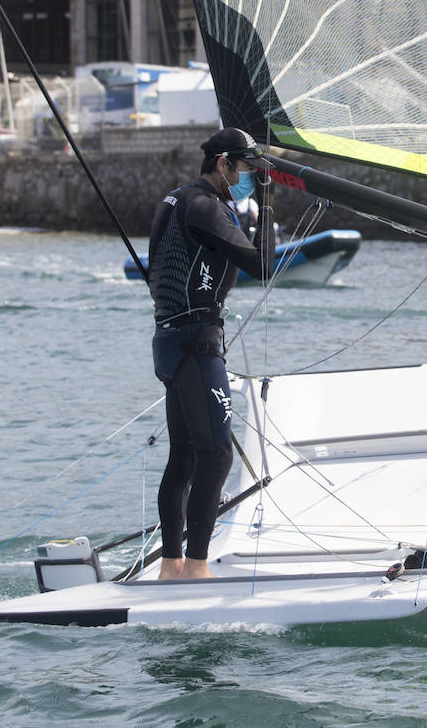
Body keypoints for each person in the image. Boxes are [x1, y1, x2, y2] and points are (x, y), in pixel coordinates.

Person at [147, 127, 274, 580]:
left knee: (185, 455)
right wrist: (268, 203)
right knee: (217, 454)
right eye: (245, 169)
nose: (246, 177)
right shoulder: (206, 206)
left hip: (169, 342)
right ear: (223, 164)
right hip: (197, 345)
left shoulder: (175, 200)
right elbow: (263, 266)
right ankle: (197, 567)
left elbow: (159, 273)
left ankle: (171, 565)